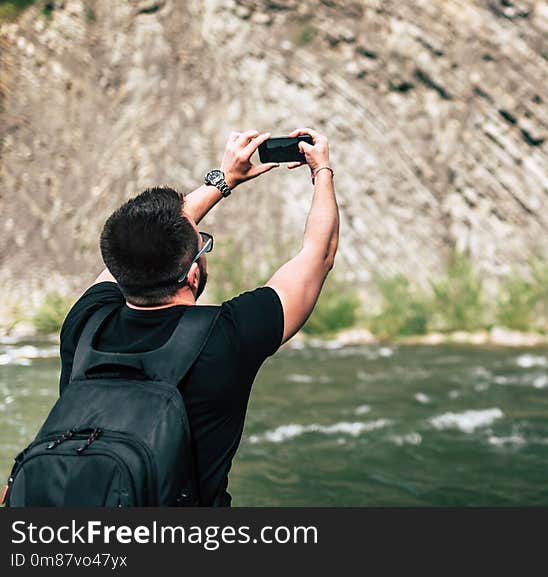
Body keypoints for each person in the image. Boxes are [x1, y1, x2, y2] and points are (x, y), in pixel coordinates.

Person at [56, 128, 339, 506]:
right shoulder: (226, 337)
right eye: (202, 244)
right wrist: (322, 171)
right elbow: (318, 254)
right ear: (192, 275)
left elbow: (141, 238)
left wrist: (222, 181)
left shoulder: (85, 323)